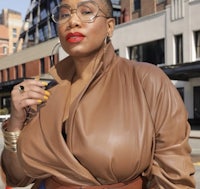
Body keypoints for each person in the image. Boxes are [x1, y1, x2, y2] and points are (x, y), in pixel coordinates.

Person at [1, 0, 196, 188]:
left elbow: (175, 178)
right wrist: (17, 122)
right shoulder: (46, 93)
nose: (73, 21)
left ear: (110, 26)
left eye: (86, 12)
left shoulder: (147, 80)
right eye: (64, 15)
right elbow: (17, 177)